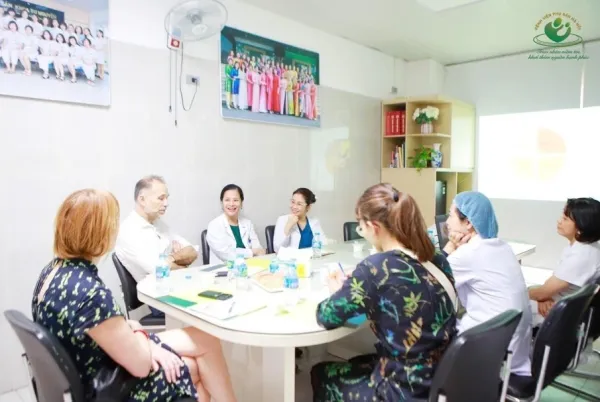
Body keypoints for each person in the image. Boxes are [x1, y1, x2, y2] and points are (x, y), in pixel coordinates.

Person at [32, 189, 237, 402]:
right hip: (102, 384)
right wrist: (143, 337)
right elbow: (139, 365)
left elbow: (102, 327)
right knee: (194, 369)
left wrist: (141, 338)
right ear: (101, 233)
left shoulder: (54, 271)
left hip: (90, 363)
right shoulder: (90, 294)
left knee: (206, 339)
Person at [311, 184, 457, 400]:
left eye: (361, 227)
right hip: (440, 378)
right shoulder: (435, 257)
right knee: (358, 362)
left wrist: (338, 291)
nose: (362, 232)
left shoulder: (374, 268)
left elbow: (326, 316)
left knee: (321, 373)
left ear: (374, 226)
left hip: (401, 390)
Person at [443, 191, 532, 376]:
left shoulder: (468, 254)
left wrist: (450, 247)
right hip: (512, 345)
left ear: (468, 223)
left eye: (451, 215)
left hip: (493, 349)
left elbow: (431, 279)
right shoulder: (501, 246)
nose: (447, 222)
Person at [115, 176, 198, 317]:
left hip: (178, 287)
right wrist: (182, 263)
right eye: (161, 198)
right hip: (161, 300)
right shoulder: (129, 231)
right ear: (142, 200)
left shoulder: (157, 223)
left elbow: (192, 251)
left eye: (167, 198)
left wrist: (171, 258)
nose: (166, 203)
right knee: (206, 309)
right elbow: (158, 269)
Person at [529, 198, 600, 324]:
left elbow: (542, 293)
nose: (559, 221)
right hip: (560, 302)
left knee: (508, 303)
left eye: (565, 219)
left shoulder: (581, 255)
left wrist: (540, 296)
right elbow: (546, 291)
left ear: (581, 226)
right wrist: (543, 296)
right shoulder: (588, 246)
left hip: (557, 312)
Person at [207, 184, 265, 263]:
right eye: (227, 200)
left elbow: (258, 248)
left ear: (241, 203)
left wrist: (256, 252)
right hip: (223, 270)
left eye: (236, 200)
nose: (231, 204)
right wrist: (252, 252)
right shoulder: (214, 225)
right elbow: (226, 254)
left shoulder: (248, 224)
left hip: (250, 268)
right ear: (222, 203)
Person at [273, 187, 325, 252]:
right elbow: (277, 249)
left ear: (308, 207)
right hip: (292, 260)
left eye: (299, 204)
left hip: (312, 260)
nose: (294, 206)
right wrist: (288, 226)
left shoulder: (314, 222)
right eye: (293, 202)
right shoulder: (282, 220)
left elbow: (324, 245)